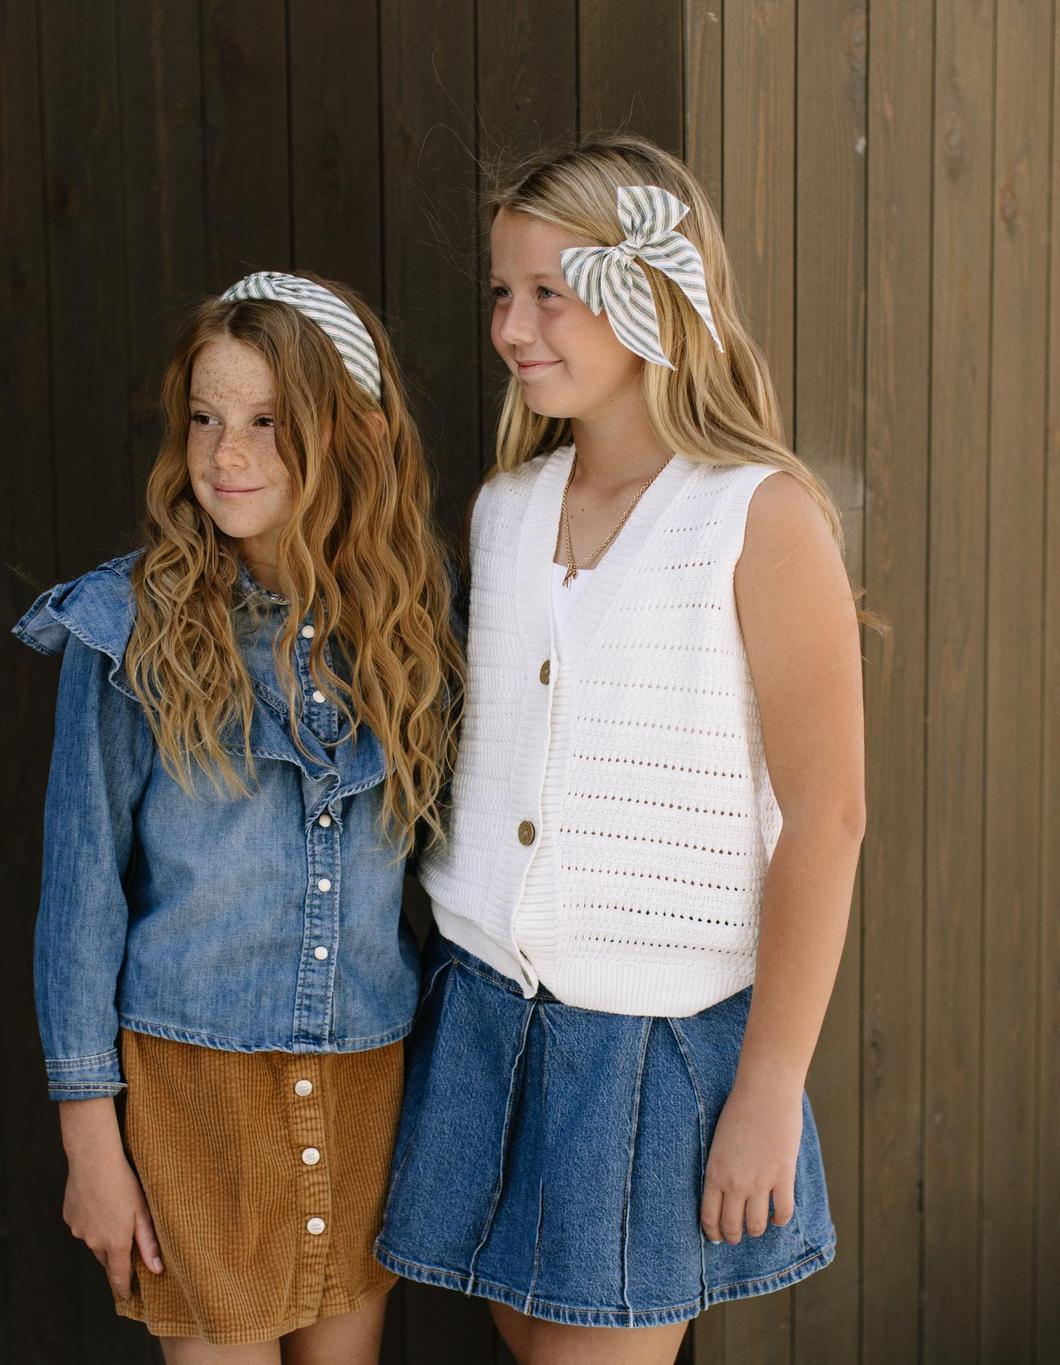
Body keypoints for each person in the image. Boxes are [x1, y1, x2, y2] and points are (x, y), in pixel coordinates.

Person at [373, 134, 869, 1364]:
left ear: (649, 293)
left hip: (648, 1050)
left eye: (550, 291)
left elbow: (827, 818)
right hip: (481, 1021)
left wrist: (768, 1085)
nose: (511, 326)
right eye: (502, 291)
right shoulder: (503, 513)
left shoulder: (756, 516)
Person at [12, 269, 462, 1362]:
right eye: (206, 419)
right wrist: (88, 1136)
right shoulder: (129, 626)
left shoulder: (409, 622)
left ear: (353, 432)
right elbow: (79, 895)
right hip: (193, 1087)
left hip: (365, 1076)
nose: (226, 455)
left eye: (267, 422)